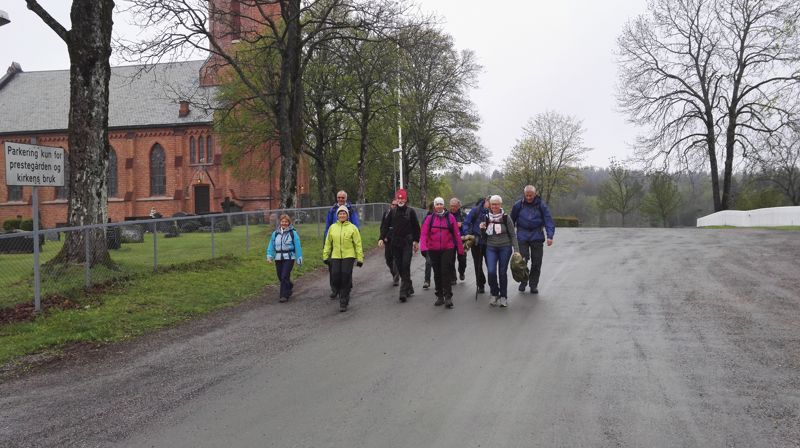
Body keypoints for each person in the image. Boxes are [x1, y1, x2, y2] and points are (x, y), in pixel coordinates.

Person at [420, 197, 465, 309]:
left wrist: (460, 249)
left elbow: (456, 234)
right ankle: (439, 296)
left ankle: (448, 297)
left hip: (447, 248)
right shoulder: (429, 219)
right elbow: (424, 234)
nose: (439, 206)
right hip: (433, 249)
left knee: (446, 272)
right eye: (437, 204)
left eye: (441, 204)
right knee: (437, 273)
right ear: (434, 206)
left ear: (444, 205)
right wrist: (423, 248)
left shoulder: (450, 218)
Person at [510, 185, 555, 294]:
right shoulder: (518, 205)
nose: (529, 197)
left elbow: (548, 220)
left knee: (537, 262)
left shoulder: (541, 205)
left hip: (537, 236)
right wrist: (509, 236)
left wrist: (550, 236)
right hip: (522, 235)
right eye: (527, 195)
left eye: (531, 195)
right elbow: (510, 221)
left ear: (535, 194)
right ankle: (524, 281)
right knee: (522, 260)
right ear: (524, 194)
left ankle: (533, 284)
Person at [378, 188, 420, 303]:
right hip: (395, 243)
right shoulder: (392, 212)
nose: (400, 200)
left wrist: (416, 241)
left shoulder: (410, 212)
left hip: (407, 242)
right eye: (398, 199)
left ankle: (403, 292)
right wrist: (381, 238)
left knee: (405, 265)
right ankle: (409, 286)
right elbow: (385, 226)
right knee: (400, 266)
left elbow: (416, 227)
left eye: (402, 199)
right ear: (396, 200)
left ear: (406, 200)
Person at [480, 195, 519, 307]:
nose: (495, 206)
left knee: (502, 272)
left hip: (505, 247)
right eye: (493, 204)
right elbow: (484, 235)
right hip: (491, 247)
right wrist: (481, 229)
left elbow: (513, 235)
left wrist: (516, 250)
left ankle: (503, 296)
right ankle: (494, 292)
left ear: (500, 205)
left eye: (497, 204)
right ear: (490, 205)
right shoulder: (486, 217)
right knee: (491, 271)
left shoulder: (506, 218)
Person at [322, 206, 364, 312]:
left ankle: (344, 300)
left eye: (344, 213)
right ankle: (344, 288)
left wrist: (360, 258)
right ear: (337, 215)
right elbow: (328, 243)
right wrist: (325, 256)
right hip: (336, 255)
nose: (342, 215)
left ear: (347, 215)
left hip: (349, 255)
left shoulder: (352, 228)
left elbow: (358, 244)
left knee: (345, 275)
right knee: (335, 276)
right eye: (340, 214)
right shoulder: (332, 228)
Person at [324, 190, 360, 297]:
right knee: (333, 268)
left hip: (347, 241)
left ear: (346, 199)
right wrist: (326, 241)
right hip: (334, 241)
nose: (340, 199)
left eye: (342, 198)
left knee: (346, 269)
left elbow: (356, 225)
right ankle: (335, 288)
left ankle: (346, 286)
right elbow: (328, 226)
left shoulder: (351, 210)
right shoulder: (332, 210)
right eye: (339, 197)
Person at [266, 214, 303, 303]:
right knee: (280, 276)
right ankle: (289, 286)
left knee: (284, 275)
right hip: (278, 257)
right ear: (280, 222)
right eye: (283, 221)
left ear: (289, 223)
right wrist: (270, 255)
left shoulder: (292, 233)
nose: (284, 223)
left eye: (286, 222)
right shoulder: (275, 233)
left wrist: (299, 257)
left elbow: (297, 246)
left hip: (289, 257)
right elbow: (271, 245)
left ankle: (284, 295)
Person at [463, 196, 490, 293]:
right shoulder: (475, 210)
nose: (491, 204)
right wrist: (467, 234)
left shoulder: (493, 211)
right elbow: (466, 222)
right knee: (478, 265)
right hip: (476, 241)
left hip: (489, 242)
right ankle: (481, 284)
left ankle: (493, 284)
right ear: (485, 201)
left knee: (490, 265)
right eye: (489, 202)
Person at [379, 199, 400, 286]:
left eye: (396, 205)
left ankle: (396, 277)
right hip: (388, 240)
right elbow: (383, 226)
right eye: (393, 205)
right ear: (390, 205)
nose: (394, 206)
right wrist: (382, 238)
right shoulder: (387, 213)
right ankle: (394, 273)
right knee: (388, 259)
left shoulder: (401, 215)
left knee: (396, 258)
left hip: (398, 240)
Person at [448, 197, 467, 284]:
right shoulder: (446, 215)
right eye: (451, 206)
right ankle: (453, 278)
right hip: (450, 240)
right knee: (450, 260)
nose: (453, 208)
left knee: (462, 259)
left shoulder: (463, 215)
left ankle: (461, 271)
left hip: (461, 240)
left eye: (455, 206)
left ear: (459, 206)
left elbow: (468, 225)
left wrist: (462, 224)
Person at [422, 201, 434, 290]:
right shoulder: (427, 218)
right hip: (429, 244)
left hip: (441, 245)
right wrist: (423, 246)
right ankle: (427, 281)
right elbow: (423, 233)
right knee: (429, 262)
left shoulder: (444, 216)